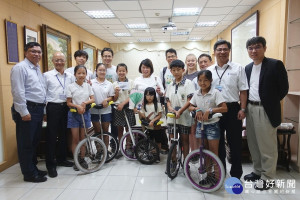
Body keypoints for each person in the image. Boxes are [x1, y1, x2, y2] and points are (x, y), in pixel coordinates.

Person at [243, 36, 289, 190]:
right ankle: (257, 172)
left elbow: (283, 88)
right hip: (250, 108)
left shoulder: (275, 65)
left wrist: (270, 102)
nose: (253, 50)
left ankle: (268, 177)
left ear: (264, 48)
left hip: (266, 109)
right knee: (254, 143)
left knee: (267, 146)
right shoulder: (248, 68)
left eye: (257, 47)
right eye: (250, 48)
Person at [207, 39, 248, 180]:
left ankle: (236, 174)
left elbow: (243, 90)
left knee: (235, 143)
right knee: (217, 144)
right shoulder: (209, 70)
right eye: (219, 49)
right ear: (214, 52)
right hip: (215, 109)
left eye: (225, 49)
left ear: (229, 51)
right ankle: (221, 172)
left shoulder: (238, 68)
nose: (222, 52)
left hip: (232, 109)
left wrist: (242, 108)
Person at [10, 42, 47, 182]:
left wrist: (43, 110)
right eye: (33, 51)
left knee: (34, 141)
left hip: (37, 109)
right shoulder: (20, 68)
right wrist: (23, 112)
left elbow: (41, 91)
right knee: (26, 142)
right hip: (27, 109)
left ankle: (33, 168)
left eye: (39, 51)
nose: (37, 54)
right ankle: (29, 174)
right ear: (25, 52)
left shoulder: (36, 68)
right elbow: (17, 92)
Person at [44, 52, 74, 178]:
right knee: (51, 136)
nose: (59, 62)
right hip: (53, 107)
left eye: (61, 60)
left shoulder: (70, 76)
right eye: (57, 60)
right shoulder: (47, 75)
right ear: (52, 61)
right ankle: (50, 165)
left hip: (66, 107)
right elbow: (43, 94)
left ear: (65, 61)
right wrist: (44, 112)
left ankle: (62, 159)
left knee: (63, 134)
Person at [189, 70, 227, 156]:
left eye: (205, 80)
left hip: (212, 125)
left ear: (211, 80)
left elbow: (224, 108)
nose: (202, 83)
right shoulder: (196, 93)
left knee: (214, 153)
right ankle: (207, 169)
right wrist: (197, 109)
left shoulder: (215, 93)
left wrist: (210, 110)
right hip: (200, 125)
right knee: (203, 151)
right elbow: (190, 107)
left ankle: (217, 170)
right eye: (200, 80)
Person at [66, 65, 94, 171]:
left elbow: (92, 99)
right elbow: (68, 102)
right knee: (75, 139)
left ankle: (82, 159)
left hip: (85, 114)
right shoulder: (70, 86)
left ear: (86, 75)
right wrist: (77, 106)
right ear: (75, 75)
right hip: (74, 115)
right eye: (79, 73)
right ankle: (76, 160)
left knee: (83, 138)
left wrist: (84, 103)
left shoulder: (88, 86)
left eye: (83, 73)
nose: (81, 75)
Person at [166, 59, 195, 159]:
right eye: (173, 70)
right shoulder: (170, 85)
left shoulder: (188, 83)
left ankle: (186, 164)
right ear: (171, 71)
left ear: (183, 70)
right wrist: (170, 108)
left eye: (178, 69)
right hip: (171, 117)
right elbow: (167, 100)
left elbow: (190, 100)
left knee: (185, 141)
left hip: (184, 117)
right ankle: (173, 161)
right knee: (172, 140)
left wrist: (180, 111)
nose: (176, 72)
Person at [112, 63, 136, 156]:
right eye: (119, 71)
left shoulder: (131, 82)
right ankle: (120, 148)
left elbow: (132, 96)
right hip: (118, 108)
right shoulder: (114, 84)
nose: (121, 73)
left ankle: (128, 147)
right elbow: (113, 99)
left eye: (123, 71)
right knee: (119, 129)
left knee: (128, 128)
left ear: (126, 72)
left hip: (128, 107)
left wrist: (123, 103)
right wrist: (116, 93)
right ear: (117, 72)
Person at [90, 63, 114, 149]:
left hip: (106, 110)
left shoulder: (109, 84)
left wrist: (107, 100)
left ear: (106, 72)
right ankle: (99, 151)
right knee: (97, 131)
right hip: (93, 110)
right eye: (100, 70)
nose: (102, 72)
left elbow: (112, 97)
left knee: (105, 131)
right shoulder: (91, 82)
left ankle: (106, 151)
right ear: (96, 71)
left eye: (104, 70)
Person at [138, 87, 163, 163]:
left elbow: (159, 115)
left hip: (156, 126)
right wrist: (137, 111)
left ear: (154, 96)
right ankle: (151, 154)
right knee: (149, 140)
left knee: (158, 141)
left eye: (151, 95)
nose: (149, 97)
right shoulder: (143, 105)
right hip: (147, 127)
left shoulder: (158, 105)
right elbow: (142, 115)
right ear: (145, 96)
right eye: (147, 95)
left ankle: (157, 155)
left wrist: (153, 121)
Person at [184, 54, 199, 152]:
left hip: (196, 106)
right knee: (187, 131)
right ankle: (188, 152)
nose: (190, 62)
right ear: (185, 62)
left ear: (196, 62)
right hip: (184, 107)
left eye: (192, 60)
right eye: (188, 60)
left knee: (194, 131)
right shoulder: (183, 76)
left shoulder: (199, 74)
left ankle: (195, 151)